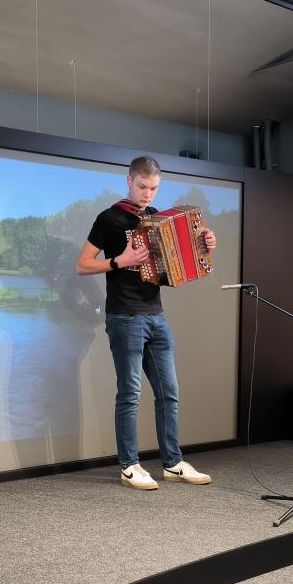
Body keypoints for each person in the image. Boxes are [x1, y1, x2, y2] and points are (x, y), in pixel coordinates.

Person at [76, 156, 217, 490]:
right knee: (130, 393)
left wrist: (205, 245)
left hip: (156, 316)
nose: (148, 194)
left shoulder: (156, 218)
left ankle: (173, 463)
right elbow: (82, 265)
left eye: (154, 188)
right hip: (125, 316)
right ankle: (129, 466)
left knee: (169, 393)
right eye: (142, 187)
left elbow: (174, 263)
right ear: (129, 180)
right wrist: (119, 260)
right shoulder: (109, 218)